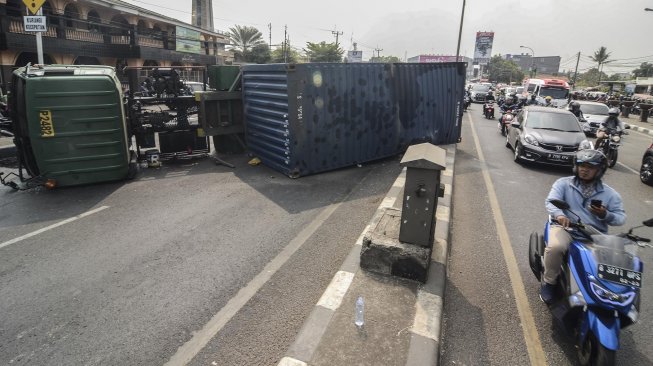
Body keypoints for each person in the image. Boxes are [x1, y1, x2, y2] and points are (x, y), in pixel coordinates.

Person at [541, 149, 626, 304]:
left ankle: (602, 294)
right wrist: (560, 215)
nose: (584, 169)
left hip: (594, 234)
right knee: (556, 247)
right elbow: (551, 201)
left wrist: (604, 214)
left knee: (607, 263)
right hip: (566, 228)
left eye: (590, 167)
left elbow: (620, 218)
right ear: (576, 166)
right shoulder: (563, 183)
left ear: (599, 170)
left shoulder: (610, 194)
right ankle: (549, 282)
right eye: (581, 165)